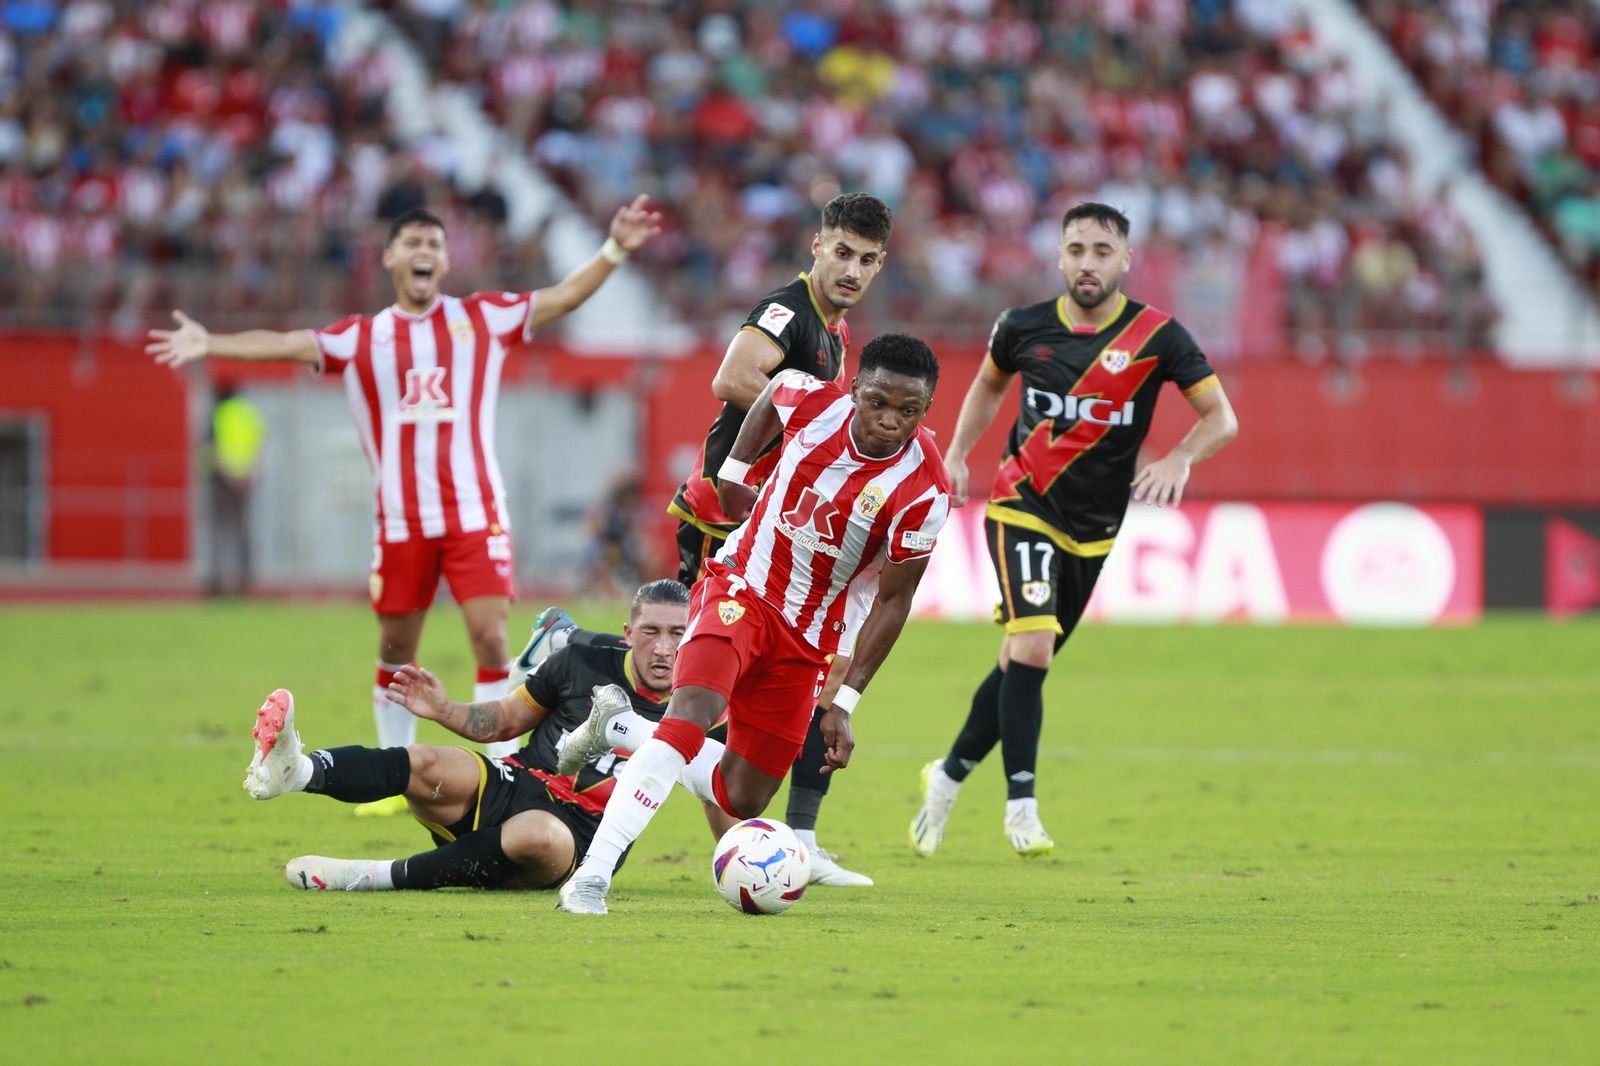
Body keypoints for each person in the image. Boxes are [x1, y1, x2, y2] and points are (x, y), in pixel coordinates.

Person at [148, 197, 663, 811]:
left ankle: (500, 770)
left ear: (446, 260)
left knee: (491, 637)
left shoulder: (482, 319)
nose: (424, 252)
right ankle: (395, 776)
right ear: (389, 256)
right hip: (402, 521)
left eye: (435, 244)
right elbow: (288, 343)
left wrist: (615, 249)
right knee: (396, 650)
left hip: (474, 514)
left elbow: (561, 298)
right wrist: (211, 342)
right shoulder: (363, 338)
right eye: (413, 243)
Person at [556, 332, 951, 915]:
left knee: (743, 796)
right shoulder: (813, 402)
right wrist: (737, 468)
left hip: (808, 637)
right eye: (878, 403)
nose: (891, 420)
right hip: (742, 587)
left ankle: (621, 727)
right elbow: (770, 393)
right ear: (856, 389)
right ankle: (589, 880)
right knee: (688, 719)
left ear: (925, 410)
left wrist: (845, 701)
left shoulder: (924, 490)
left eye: (909, 411)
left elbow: (894, 602)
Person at [909, 202, 1239, 860]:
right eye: (1077, 249)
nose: (1088, 262)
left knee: (1020, 664)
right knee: (1031, 648)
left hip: (1095, 528)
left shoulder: (1159, 337)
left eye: (1101, 250)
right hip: (1021, 503)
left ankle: (946, 776)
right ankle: (1022, 810)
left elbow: (1221, 419)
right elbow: (986, 388)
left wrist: (1179, 456)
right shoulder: (1023, 326)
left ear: (1125, 259)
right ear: (1060, 256)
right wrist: (955, 455)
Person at [664, 190, 896, 884]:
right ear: (818, 247)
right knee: (700, 700)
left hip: (779, 533)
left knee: (786, 686)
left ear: (881, 265)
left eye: (867, 260)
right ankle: (600, 727)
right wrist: (812, 444)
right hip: (730, 523)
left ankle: (778, 846)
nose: (852, 269)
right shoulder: (788, 310)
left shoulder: (836, 331)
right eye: (843, 253)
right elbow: (734, 376)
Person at [242, 580, 691, 892]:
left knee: (537, 834)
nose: (664, 648)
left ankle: (370, 875)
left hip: (579, 840)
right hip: (521, 784)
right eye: (651, 632)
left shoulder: (702, 708)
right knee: (426, 762)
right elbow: (505, 721)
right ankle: (298, 769)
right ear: (629, 634)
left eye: (677, 633)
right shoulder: (580, 662)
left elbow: (727, 792)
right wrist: (444, 709)